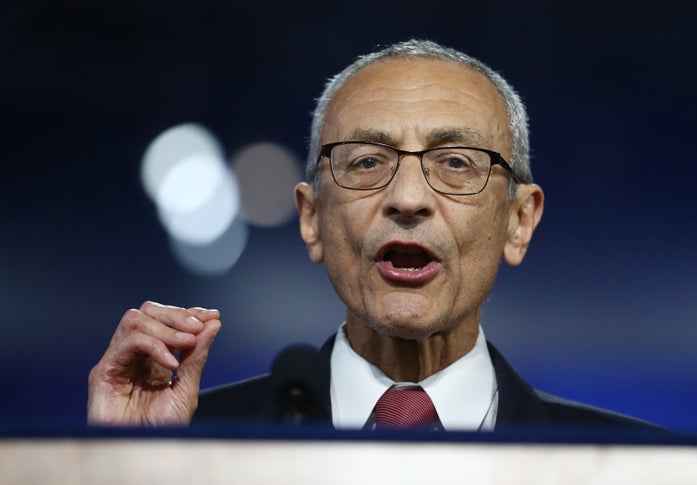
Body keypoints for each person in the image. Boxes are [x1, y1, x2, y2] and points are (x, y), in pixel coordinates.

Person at [88, 39, 657, 431]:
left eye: (456, 162)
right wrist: (115, 468)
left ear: (519, 221)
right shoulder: (186, 443)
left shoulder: (633, 467)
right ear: (311, 218)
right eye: (365, 162)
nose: (407, 199)